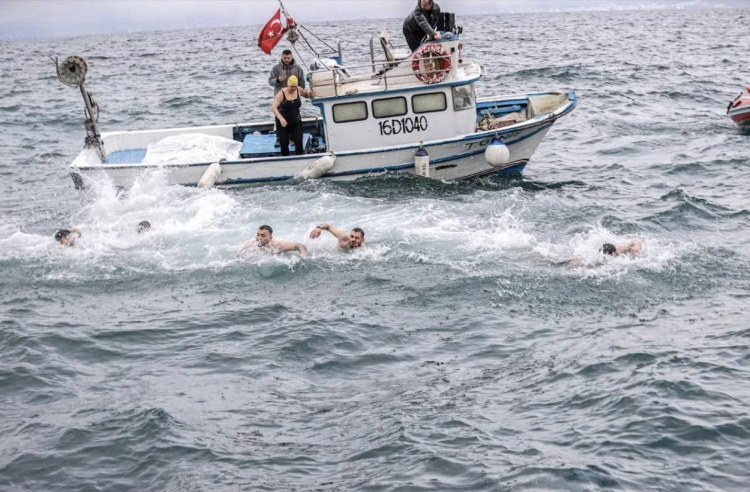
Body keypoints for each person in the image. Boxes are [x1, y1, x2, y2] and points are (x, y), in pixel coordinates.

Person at [272, 76, 313, 157]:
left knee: (298, 141)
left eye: (295, 86)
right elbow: (273, 108)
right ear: (288, 85)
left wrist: (310, 94)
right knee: (284, 142)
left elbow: (306, 94)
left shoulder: (298, 90)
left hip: (296, 121)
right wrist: (281, 119)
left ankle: (300, 158)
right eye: (292, 86)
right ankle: (285, 159)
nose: (294, 88)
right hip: (283, 123)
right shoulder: (282, 93)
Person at [237, 225, 308, 258]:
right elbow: (239, 255)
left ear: (270, 238)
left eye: (263, 235)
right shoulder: (252, 244)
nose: (259, 238)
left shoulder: (277, 245)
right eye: (258, 235)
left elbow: (299, 245)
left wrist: (303, 256)